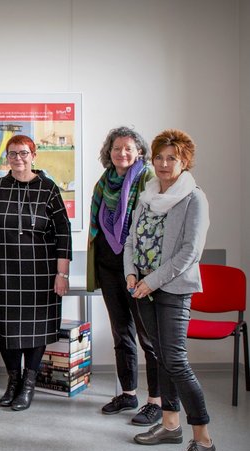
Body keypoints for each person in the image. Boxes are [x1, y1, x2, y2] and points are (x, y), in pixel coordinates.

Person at [124, 129, 215, 451]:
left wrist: (150, 282)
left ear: (184, 162)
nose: (163, 164)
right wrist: (131, 273)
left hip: (172, 289)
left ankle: (204, 441)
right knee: (160, 358)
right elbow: (131, 239)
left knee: (176, 361)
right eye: (159, 157)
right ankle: (170, 425)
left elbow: (190, 252)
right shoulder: (147, 194)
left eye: (171, 158)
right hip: (142, 288)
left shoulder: (194, 198)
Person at [0, 135, 71, 411]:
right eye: (12, 153)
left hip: (40, 272)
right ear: (7, 158)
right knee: (5, 328)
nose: (18, 158)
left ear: (33, 155)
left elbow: (63, 233)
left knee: (36, 329)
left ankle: (28, 384)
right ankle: (13, 382)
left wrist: (62, 274)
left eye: (23, 153)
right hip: (2, 271)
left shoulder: (48, 188)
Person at [87, 127, 162, 425]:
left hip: (139, 270)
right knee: (121, 333)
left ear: (139, 152)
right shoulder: (103, 182)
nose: (122, 153)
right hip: (108, 266)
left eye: (129, 148)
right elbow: (97, 226)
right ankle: (128, 393)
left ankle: (156, 401)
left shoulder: (147, 180)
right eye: (117, 148)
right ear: (109, 152)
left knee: (148, 337)